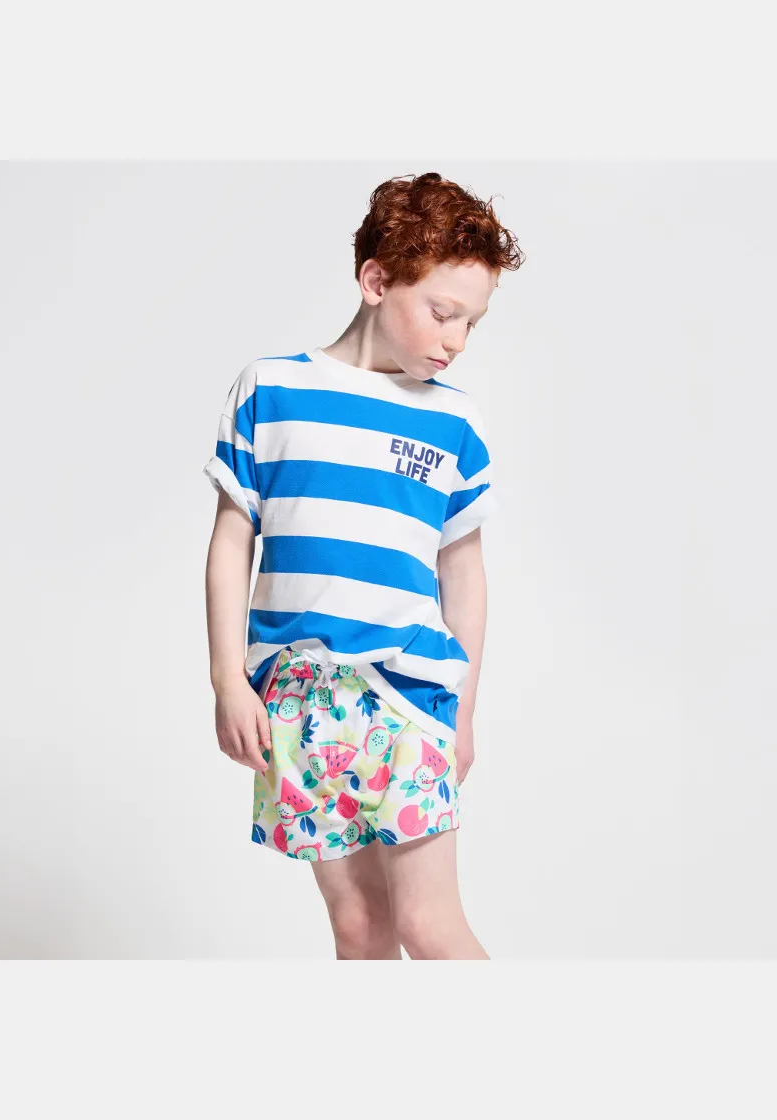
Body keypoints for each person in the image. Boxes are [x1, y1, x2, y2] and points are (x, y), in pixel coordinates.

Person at [203, 171, 524, 960]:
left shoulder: (455, 423)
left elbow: (465, 574)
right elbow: (231, 542)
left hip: (409, 695)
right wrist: (227, 680)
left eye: (473, 322)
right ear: (377, 282)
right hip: (298, 697)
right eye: (444, 313)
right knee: (358, 927)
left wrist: (465, 710)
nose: (457, 340)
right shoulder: (271, 390)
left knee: (427, 923)